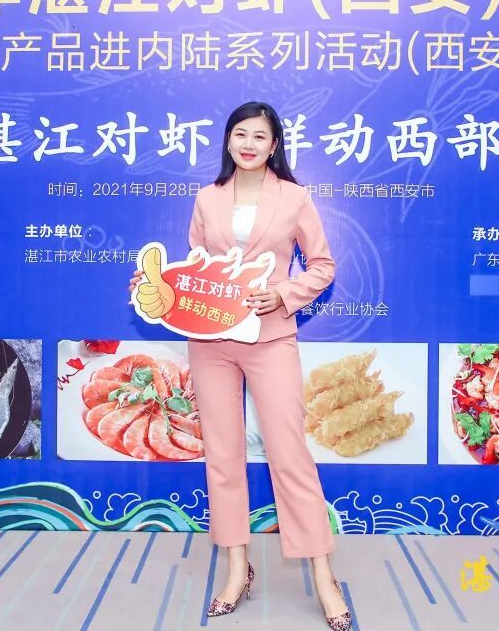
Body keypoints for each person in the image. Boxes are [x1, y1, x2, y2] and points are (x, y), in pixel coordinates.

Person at [129, 101, 350, 629]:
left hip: (271, 339)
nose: (249, 144)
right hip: (211, 342)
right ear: (228, 140)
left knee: (289, 454)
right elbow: (193, 272)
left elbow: (323, 266)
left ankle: (324, 578)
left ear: (275, 145)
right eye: (240, 134)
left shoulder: (294, 198)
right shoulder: (208, 198)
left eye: (259, 136)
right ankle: (236, 570)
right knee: (223, 456)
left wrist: (284, 293)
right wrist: (156, 288)